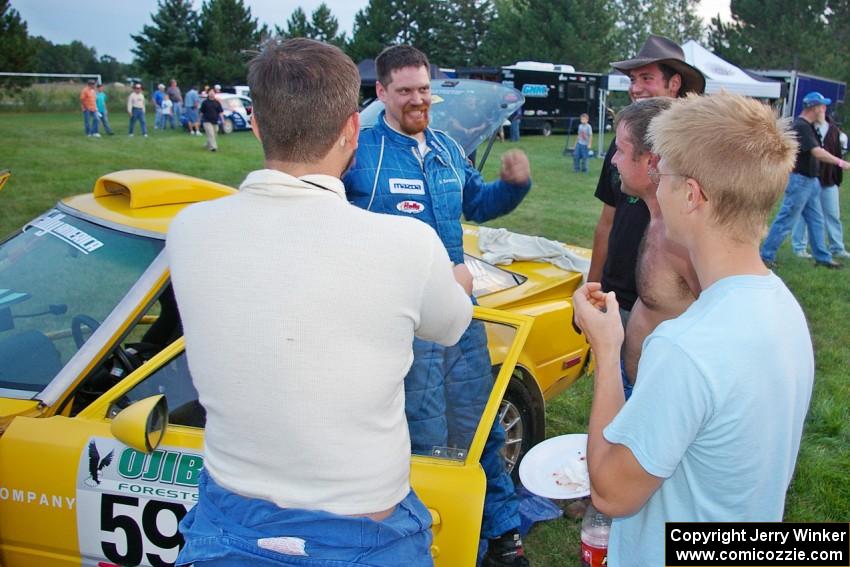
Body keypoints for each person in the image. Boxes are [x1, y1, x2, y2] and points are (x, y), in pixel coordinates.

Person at [169, 37, 473, 567]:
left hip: (225, 518)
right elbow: (451, 326)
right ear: (352, 129)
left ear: (258, 125)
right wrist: (461, 278)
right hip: (361, 526)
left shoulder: (188, 229)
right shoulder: (407, 244)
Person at [574, 91, 814, 567]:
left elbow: (611, 493)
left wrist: (607, 349)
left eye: (664, 176)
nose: (656, 189)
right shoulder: (783, 307)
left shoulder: (685, 347)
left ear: (691, 195)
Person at [344, 44, 533, 567]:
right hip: (398, 327)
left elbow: (479, 203)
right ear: (380, 93)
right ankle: (444, 547)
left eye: (424, 89)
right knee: (426, 437)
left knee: (481, 430)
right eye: (404, 90)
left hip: (459, 319)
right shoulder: (360, 150)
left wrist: (513, 188)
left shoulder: (449, 148)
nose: (418, 100)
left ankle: (501, 538)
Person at [588, 34, 705, 327]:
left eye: (646, 78)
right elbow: (606, 221)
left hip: (669, 306)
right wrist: (592, 286)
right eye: (632, 79)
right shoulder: (621, 143)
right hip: (617, 296)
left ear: (674, 83)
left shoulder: (696, 148)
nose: (636, 88)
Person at [608, 98, 699, 398]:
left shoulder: (685, 236)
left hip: (662, 397)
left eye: (620, 150)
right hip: (639, 386)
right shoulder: (658, 219)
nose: (613, 160)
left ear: (651, 162)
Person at [760, 92, 850, 269]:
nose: (824, 109)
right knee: (786, 219)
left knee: (816, 220)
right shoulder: (801, 126)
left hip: (811, 181)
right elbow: (817, 152)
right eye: (822, 106)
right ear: (814, 108)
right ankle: (766, 255)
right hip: (800, 181)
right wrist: (841, 162)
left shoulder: (811, 126)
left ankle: (822, 257)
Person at [791, 114, 850, 259]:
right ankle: (800, 248)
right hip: (808, 178)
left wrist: (837, 177)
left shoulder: (834, 131)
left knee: (832, 215)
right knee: (804, 216)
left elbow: (837, 154)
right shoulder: (805, 129)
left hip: (828, 179)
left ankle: (837, 248)